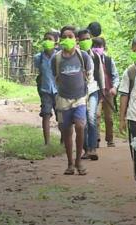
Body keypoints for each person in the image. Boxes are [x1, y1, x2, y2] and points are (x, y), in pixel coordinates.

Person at [52, 25, 94, 175]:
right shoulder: (56, 58)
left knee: (80, 126)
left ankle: (79, 161)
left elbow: (89, 75)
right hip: (63, 100)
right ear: (61, 40)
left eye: (70, 37)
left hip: (80, 99)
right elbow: (55, 77)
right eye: (64, 37)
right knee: (67, 132)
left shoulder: (83, 56)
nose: (67, 39)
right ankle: (70, 163)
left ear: (76, 39)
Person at [118, 34, 136, 199]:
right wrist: (121, 119)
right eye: (135, 51)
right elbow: (124, 96)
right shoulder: (130, 72)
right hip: (133, 117)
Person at [77, 29, 104, 160]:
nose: (85, 41)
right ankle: (86, 148)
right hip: (79, 92)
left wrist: (102, 90)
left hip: (93, 90)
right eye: (82, 39)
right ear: (77, 41)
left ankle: (93, 148)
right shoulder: (75, 56)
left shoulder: (95, 56)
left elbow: (100, 74)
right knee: (83, 121)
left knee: (92, 118)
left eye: (87, 38)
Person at [93, 37, 119, 148]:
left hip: (108, 92)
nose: (97, 49)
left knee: (109, 118)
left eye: (99, 46)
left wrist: (114, 87)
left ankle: (110, 139)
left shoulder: (108, 60)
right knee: (96, 115)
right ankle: (96, 139)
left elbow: (115, 75)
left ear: (104, 47)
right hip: (96, 92)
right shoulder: (90, 60)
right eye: (95, 46)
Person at [34, 31, 60, 145]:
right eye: (45, 39)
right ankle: (47, 143)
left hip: (59, 91)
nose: (47, 41)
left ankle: (64, 140)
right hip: (45, 90)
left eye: (50, 39)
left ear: (55, 43)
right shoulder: (38, 58)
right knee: (46, 114)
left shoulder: (59, 56)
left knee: (61, 118)